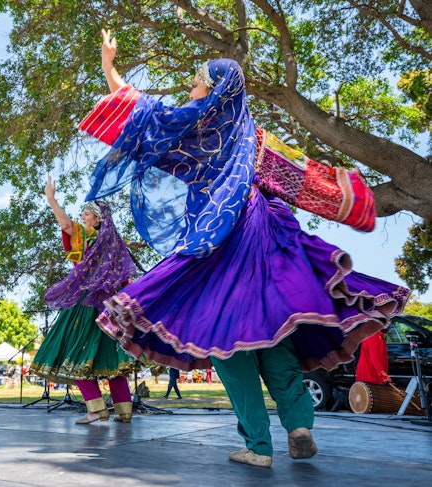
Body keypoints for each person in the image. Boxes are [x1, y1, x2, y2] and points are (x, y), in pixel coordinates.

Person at [79, 29, 409, 466]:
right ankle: (299, 424)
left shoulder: (197, 127)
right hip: (266, 238)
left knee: (227, 343)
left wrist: (109, 66)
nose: (192, 88)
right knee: (273, 336)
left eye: (197, 82)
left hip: (219, 246)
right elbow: (304, 182)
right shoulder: (258, 137)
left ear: (213, 89)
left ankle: (257, 447)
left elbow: (141, 113)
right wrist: (353, 203)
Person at [29, 176, 147, 424]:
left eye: (85, 214)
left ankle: (96, 409)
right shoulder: (114, 244)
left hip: (85, 303)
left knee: (75, 350)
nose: (82, 218)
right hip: (110, 304)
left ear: (96, 219)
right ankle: (124, 411)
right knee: (111, 356)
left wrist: (51, 199)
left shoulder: (88, 235)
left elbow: (66, 225)